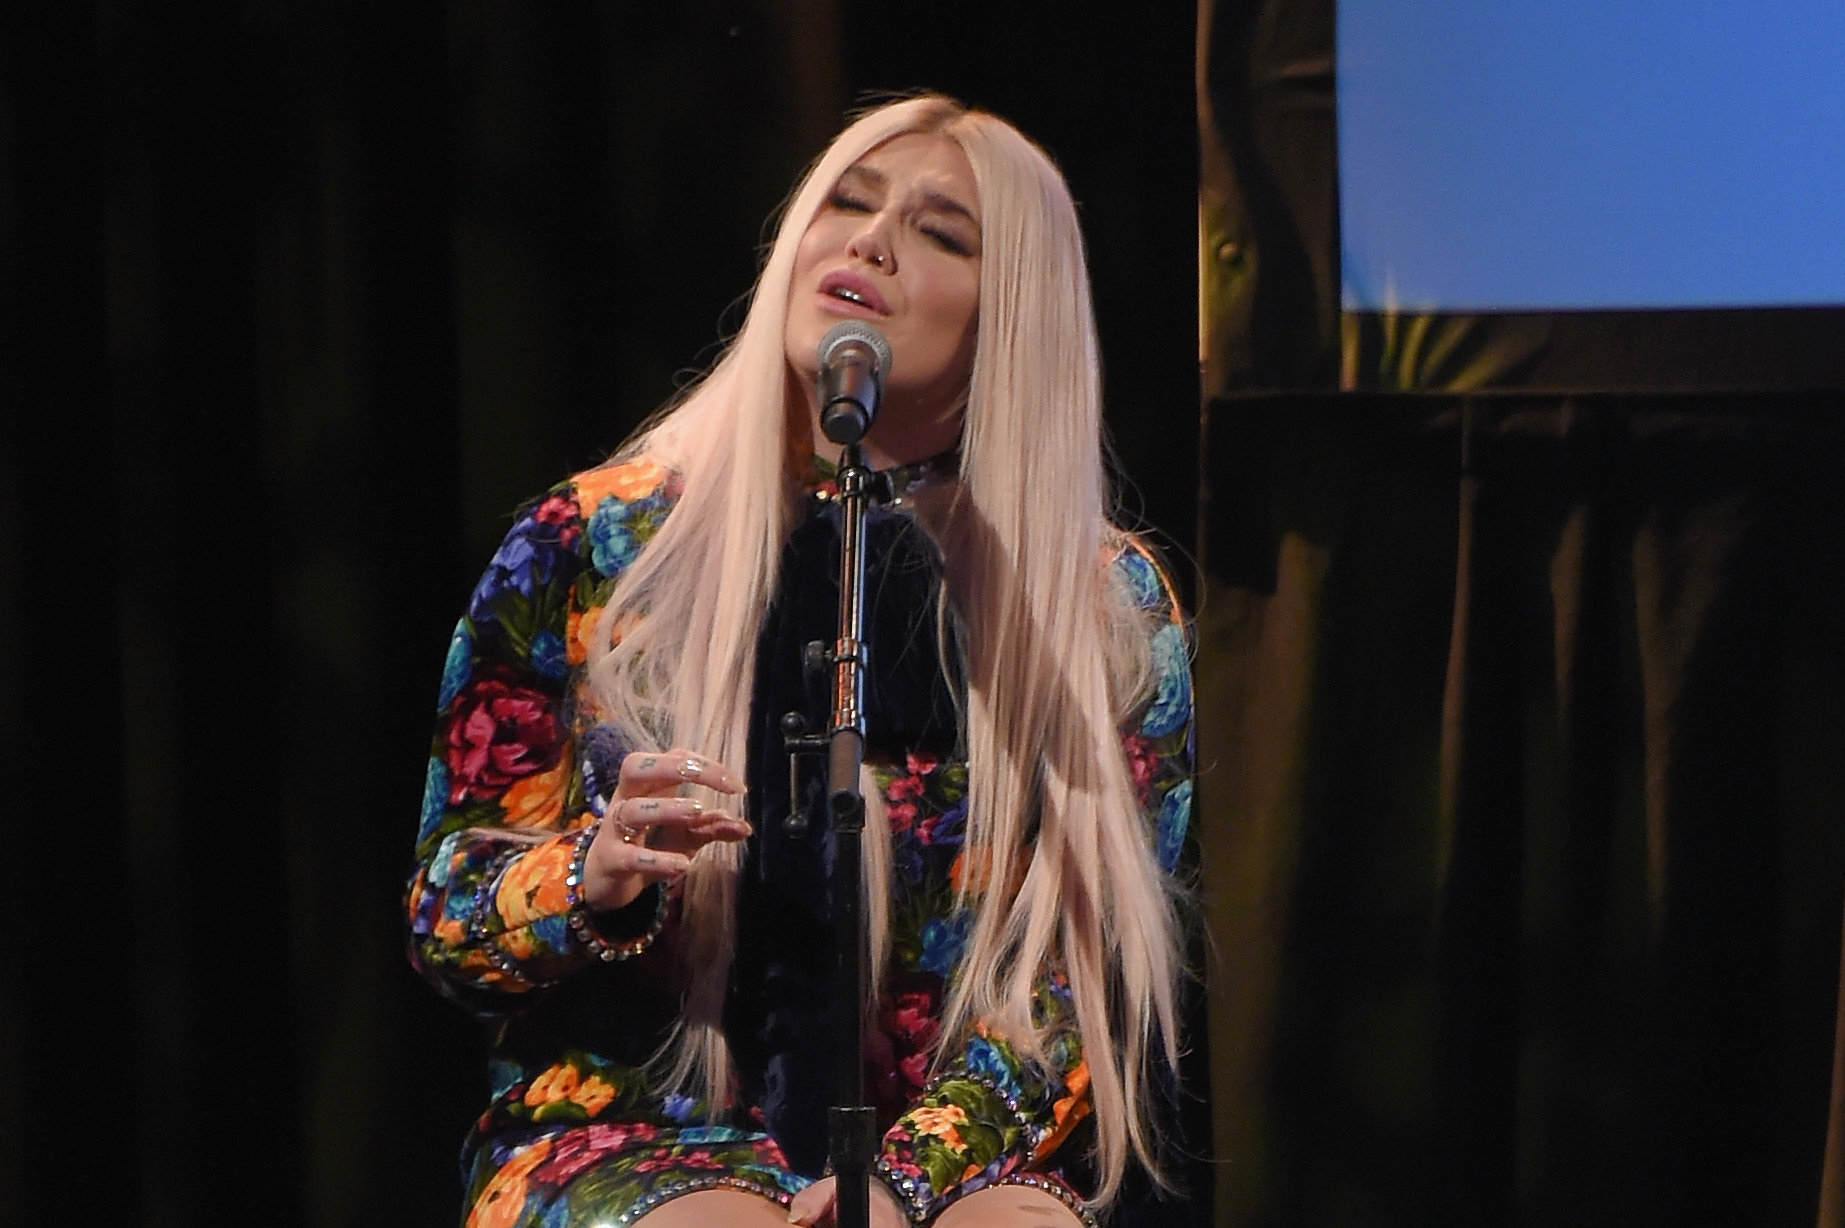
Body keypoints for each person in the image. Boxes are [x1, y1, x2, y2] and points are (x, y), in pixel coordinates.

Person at [407, 93, 1195, 1228]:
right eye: (851, 200)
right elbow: (445, 921)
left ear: (1008, 319)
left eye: (941, 233)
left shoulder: (1100, 609)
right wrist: (595, 873)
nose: (870, 241)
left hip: (940, 1151)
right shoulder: (592, 544)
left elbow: (1080, 989)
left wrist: (904, 1174)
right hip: (635, 1134)